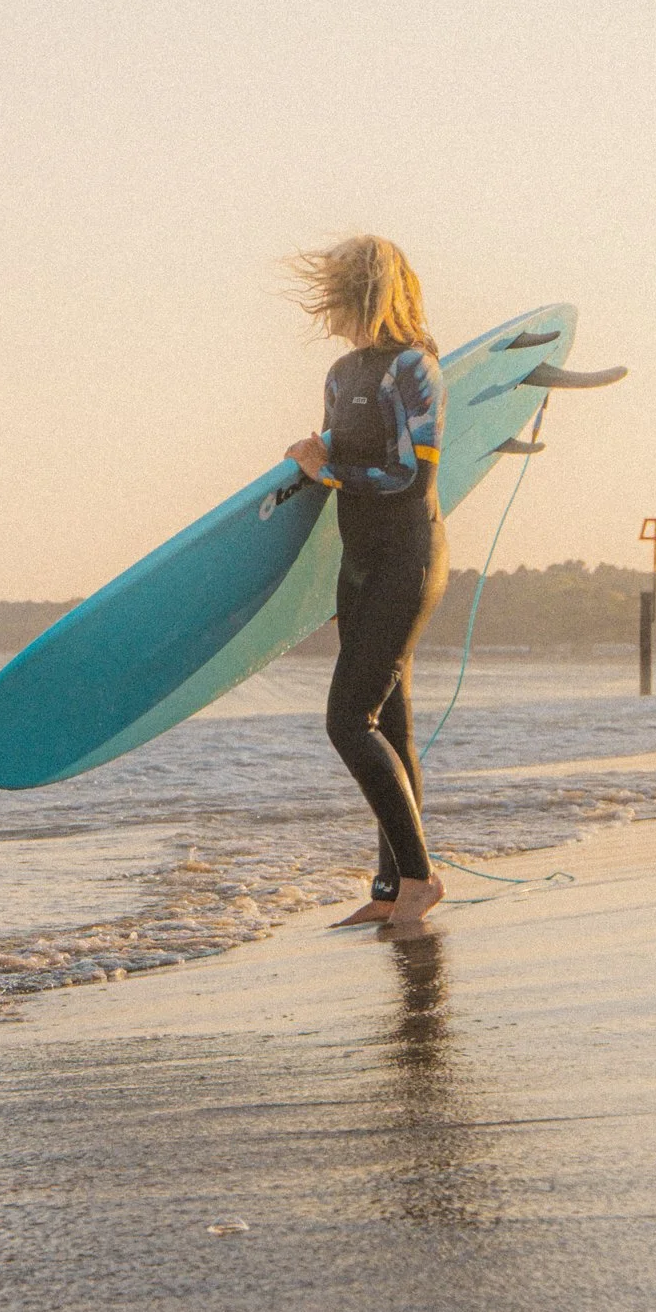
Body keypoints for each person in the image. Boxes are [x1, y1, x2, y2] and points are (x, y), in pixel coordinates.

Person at [284, 236, 450, 930]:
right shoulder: (340, 373)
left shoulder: (413, 370)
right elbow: (333, 474)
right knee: (390, 723)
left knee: (347, 720)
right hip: (359, 563)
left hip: (406, 559)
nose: (333, 310)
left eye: (343, 295)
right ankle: (390, 887)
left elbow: (412, 476)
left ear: (371, 294)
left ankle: (419, 878)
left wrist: (327, 471)